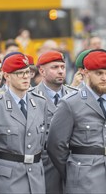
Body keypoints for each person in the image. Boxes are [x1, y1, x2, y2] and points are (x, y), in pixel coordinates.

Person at [47, 50, 106, 194]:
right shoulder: (71, 103)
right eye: (98, 73)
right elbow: (55, 145)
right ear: (86, 73)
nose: (104, 78)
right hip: (84, 177)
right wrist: (74, 170)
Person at [0, 53, 48, 194]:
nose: (26, 77)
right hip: (6, 181)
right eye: (19, 73)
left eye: (27, 72)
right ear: (6, 76)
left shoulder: (40, 102)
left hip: (35, 179)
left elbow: (42, 145)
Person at [34, 50, 77, 194]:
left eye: (62, 67)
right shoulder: (31, 97)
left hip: (73, 165)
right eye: (54, 67)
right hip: (44, 167)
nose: (60, 71)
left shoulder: (75, 96)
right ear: (42, 71)